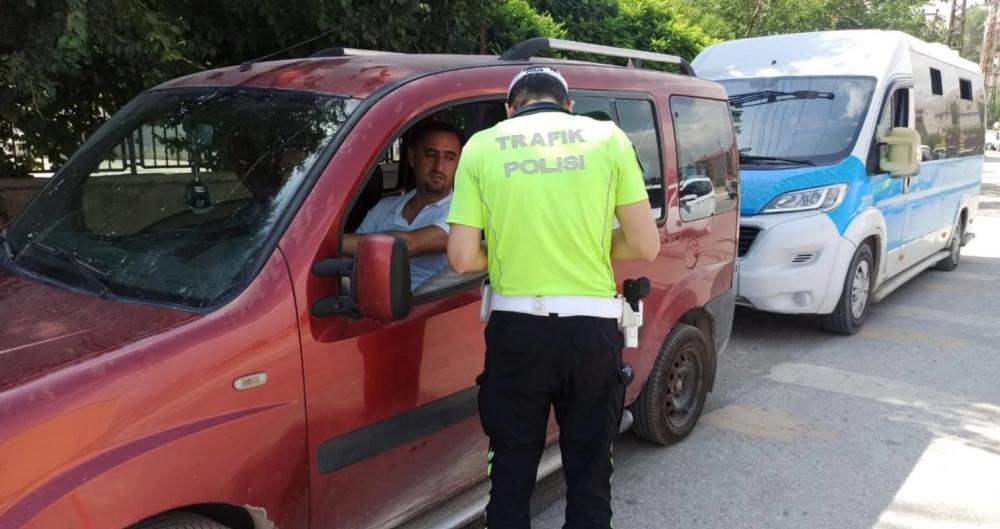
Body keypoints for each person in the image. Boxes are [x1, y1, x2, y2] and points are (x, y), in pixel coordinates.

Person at [446, 66, 660, 528]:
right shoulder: (608, 137)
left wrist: (515, 246)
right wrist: (581, 243)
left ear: (510, 109)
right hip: (592, 332)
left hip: (516, 333)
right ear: (568, 107)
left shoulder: (482, 145)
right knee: (589, 475)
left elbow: (461, 258)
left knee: (510, 474)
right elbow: (645, 245)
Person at [342, 121, 463, 290]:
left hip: (428, 309)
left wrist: (327, 244)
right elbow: (348, 258)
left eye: (449, 157)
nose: (439, 167)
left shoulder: (462, 213)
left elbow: (406, 245)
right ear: (412, 158)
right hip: (368, 305)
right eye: (430, 155)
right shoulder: (385, 207)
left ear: (459, 163)